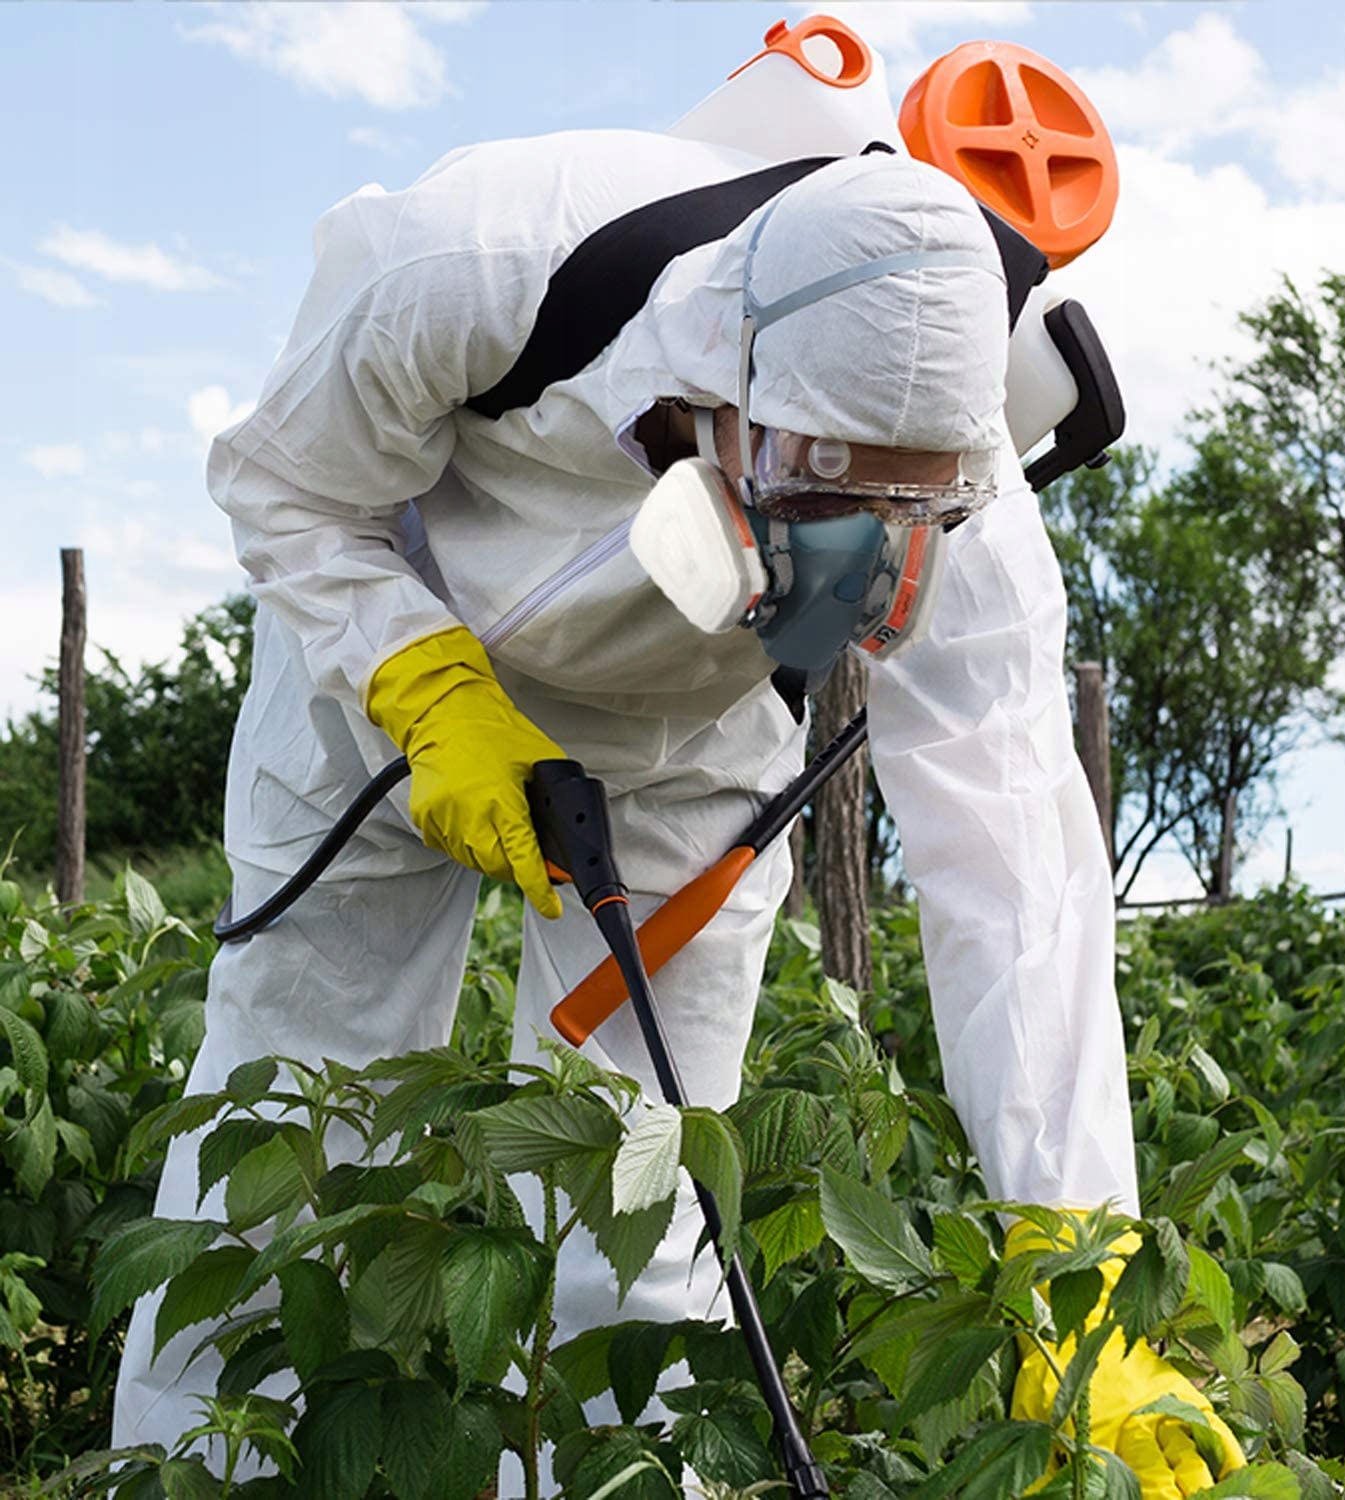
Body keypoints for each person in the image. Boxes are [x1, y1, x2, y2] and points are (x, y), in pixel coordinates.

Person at [112, 129, 1243, 1496]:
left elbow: (1018, 878)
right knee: (291, 1108)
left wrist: (1082, 1258)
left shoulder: (981, 518)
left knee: (637, 1191)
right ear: (721, 371)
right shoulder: (479, 259)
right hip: (383, 669)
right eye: (813, 488)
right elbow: (287, 481)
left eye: (897, 508)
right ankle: (183, 1473)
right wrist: (418, 678)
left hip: (688, 749)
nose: (848, 547)